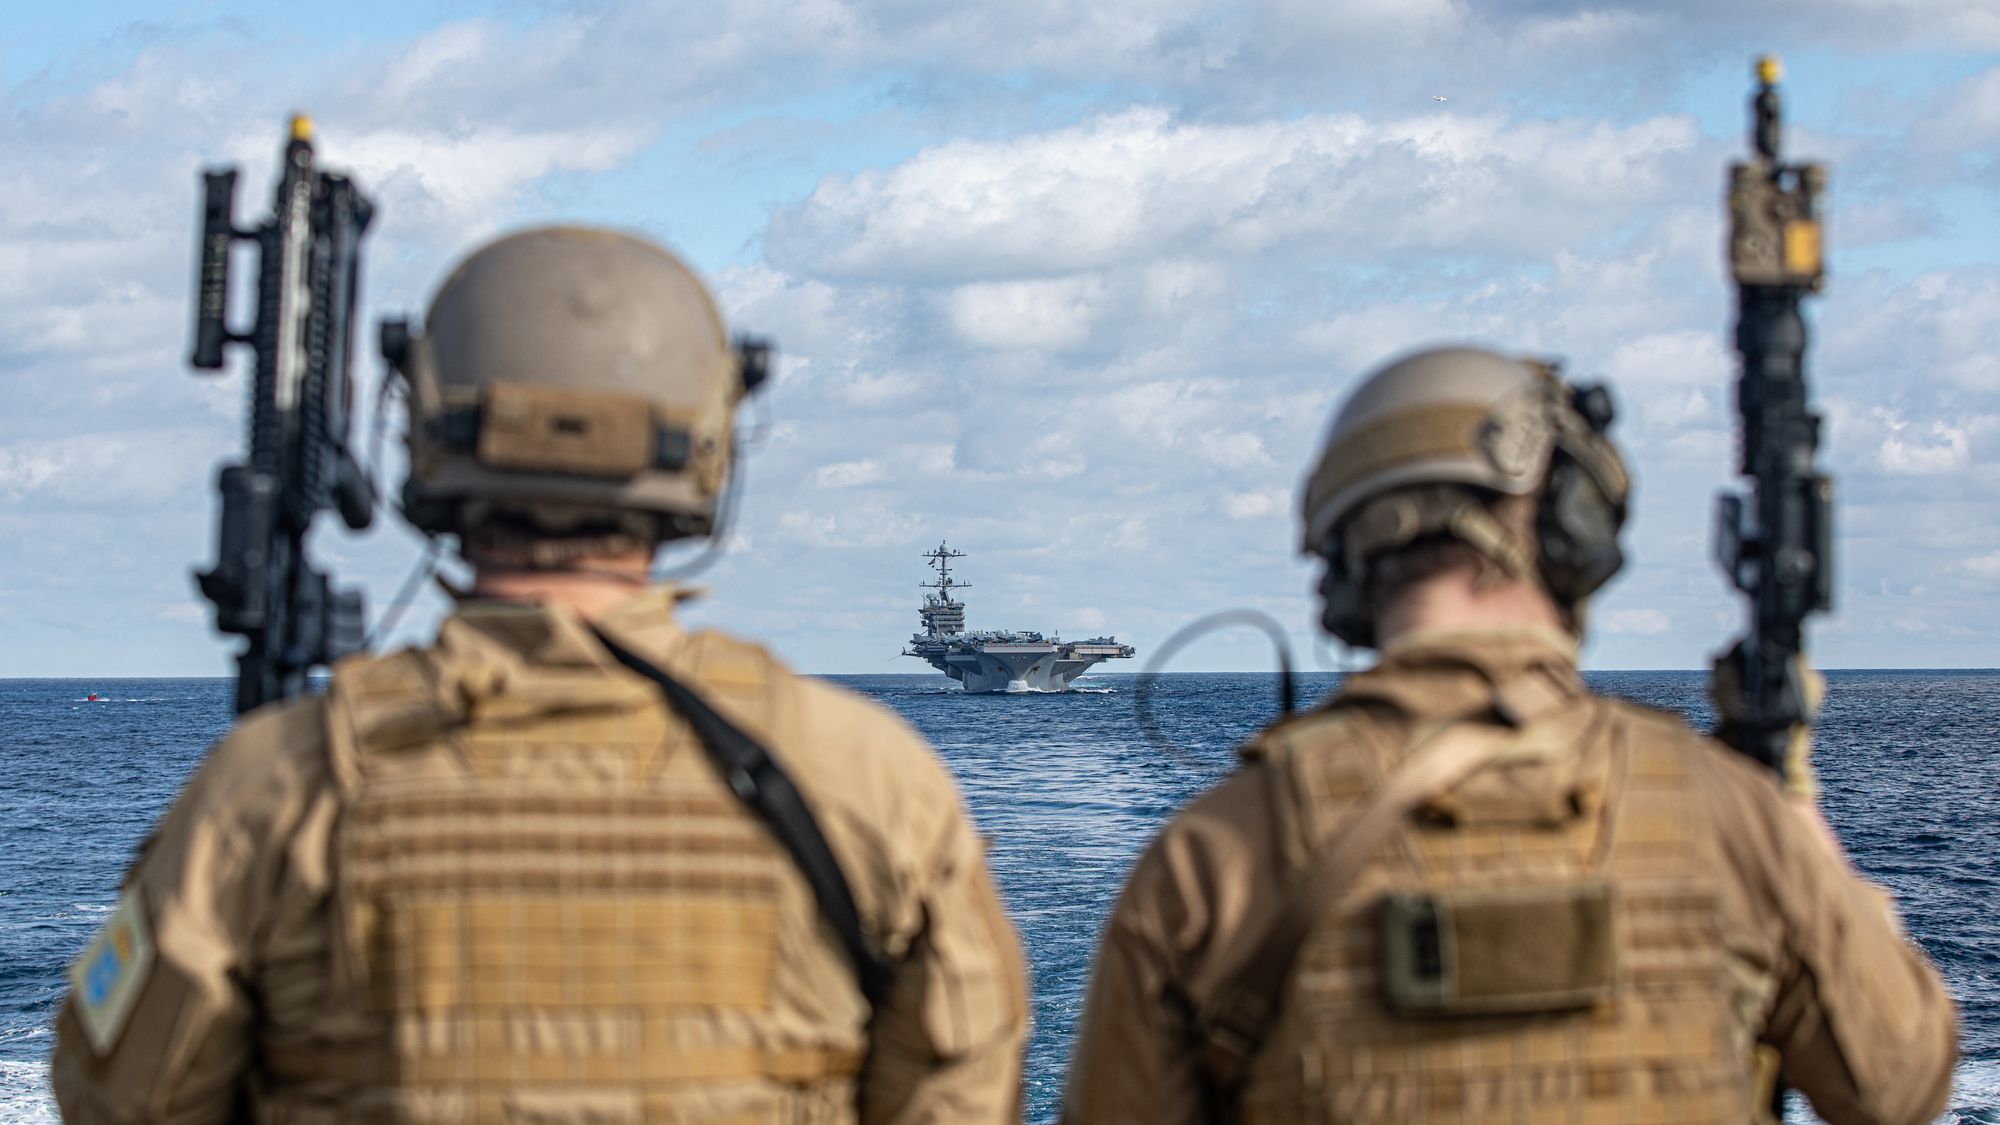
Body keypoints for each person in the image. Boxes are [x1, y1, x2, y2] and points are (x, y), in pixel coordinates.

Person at [52, 227, 1028, 1124]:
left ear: (426, 433)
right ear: (712, 443)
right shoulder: (869, 780)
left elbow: (123, 1099)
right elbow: (962, 1095)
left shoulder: (271, 789)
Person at [1063, 346, 1956, 1124]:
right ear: (1578, 532)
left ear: (1341, 565)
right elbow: (1901, 1088)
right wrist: (1795, 809)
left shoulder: (1213, 858)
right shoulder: (1731, 818)